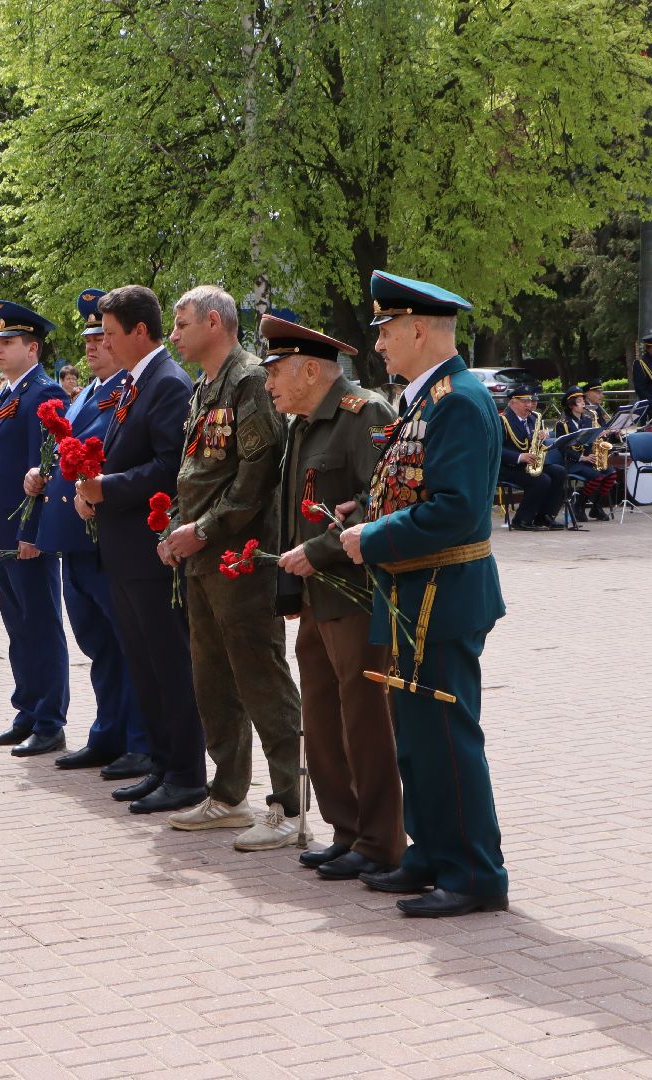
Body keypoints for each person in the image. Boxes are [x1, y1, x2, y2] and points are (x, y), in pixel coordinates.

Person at [335, 270, 507, 918]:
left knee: (447, 736)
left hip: (443, 591)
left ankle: (475, 874)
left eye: (384, 329)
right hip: (415, 593)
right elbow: (414, 485)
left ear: (416, 328)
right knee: (417, 737)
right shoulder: (428, 397)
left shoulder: (458, 399)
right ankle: (432, 854)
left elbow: (458, 510)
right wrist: (369, 508)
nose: (378, 343)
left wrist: (373, 535)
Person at [157, 285, 303, 851]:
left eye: (181, 322)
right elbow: (198, 468)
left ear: (214, 322)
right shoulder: (206, 386)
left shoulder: (247, 379)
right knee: (212, 677)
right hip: (202, 558)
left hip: (241, 560)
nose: (174, 333)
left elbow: (256, 478)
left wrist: (204, 530)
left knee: (260, 676)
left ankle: (290, 805)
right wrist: (176, 526)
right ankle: (228, 794)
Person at [261, 315, 404, 880]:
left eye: (275, 371)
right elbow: (293, 513)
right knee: (321, 719)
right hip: (319, 598)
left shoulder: (363, 414)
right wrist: (290, 585)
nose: (268, 382)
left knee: (365, 722)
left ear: (311, 369)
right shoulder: (302, 424)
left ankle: (380, 840)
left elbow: (384, 502)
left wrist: (317, 554)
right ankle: (347, 832)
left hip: (357, 594)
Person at [75, 285, 208, 814]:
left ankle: (187, 774)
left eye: (109, 333)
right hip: (123, 548)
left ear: (138, 332)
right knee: (144, 664)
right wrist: (93, 493)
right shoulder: (135, 382)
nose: (102, 342)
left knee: (169, 665)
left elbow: (169, 467)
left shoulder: (167, 384)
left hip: (151, 551)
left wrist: (107, 488)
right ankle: (160, 762)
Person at [25, 288, 151, 781]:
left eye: (102, 336)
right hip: (75, 540)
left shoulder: (127, 393)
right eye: (89, 338)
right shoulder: (84, 396)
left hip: (104, 540)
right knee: (98, 645)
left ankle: (139, 741)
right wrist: (41, 477)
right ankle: (109, 733)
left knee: (127, 644)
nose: (94, 346)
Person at [0, 300, 71, 756]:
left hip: (25, 536)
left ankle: (50, 720)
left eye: (9, 341)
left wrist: (32, 532)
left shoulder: (44, 394)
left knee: (40, 625)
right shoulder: (9, 392)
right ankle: (28, 711)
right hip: (2, 534)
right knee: (18, 626)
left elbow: (46, 471)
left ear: (32, 348)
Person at [497, 386, 566, 530]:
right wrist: (520, 457)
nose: (529, 405)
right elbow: (495, 448)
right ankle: (522, 520)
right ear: (512, 402)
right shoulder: (502, 420)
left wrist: (542, 438)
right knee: (542, 480)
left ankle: (545, 516)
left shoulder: (533, 418)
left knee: (559, 472)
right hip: (508, 466)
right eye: (524, 402)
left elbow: (532, 443)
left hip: (529, 463)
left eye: (530, 401)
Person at [554, 387, 616, 521]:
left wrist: (601, 436)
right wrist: (583, 457)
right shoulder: (562, 424)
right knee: (597, 477)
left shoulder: (588, 420)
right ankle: (579, 505)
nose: (584, 404)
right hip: (572, 461)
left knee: (611, 474)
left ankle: (596, 506)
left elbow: (592, 442)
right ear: (571, 405)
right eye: (579, 401)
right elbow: (562, 448)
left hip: (589, 458)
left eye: (583, 401)